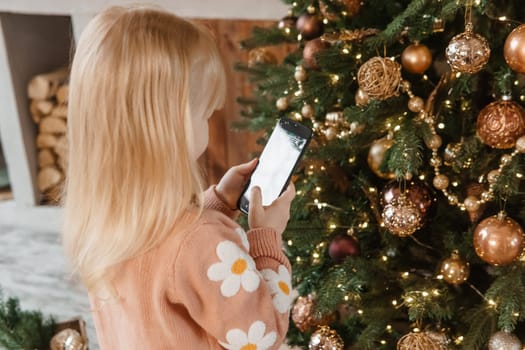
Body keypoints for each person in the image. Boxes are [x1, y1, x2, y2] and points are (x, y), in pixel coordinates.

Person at [62, 5, 296, 349]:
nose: (208, 123)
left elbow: (170, 255)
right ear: (169, 129)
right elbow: (263, 336)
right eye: (203, 114)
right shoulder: (204, 242)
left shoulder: (101, 219)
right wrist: (266, 236)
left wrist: (216, 203)